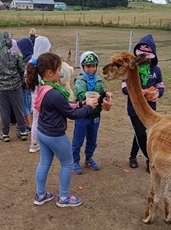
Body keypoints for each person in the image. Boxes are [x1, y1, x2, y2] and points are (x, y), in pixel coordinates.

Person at [25, 52, 97, 207]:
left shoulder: (44, 88)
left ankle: (41, 194)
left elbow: (64, 107)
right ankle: (63, 198)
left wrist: (81, 104)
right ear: (50, 73)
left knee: (44, 163)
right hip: (55, 135)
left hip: (42, 133)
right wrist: (89, 108)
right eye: (59, 70)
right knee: (67, 163)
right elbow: (71, 114)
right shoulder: (55, 93)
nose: (61, 72)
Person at [123, 34, 165, 173]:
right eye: (141, 56)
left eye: (147, 56)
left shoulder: (156, 70)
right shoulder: (130, 70)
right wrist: (139, 92)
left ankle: (133, 156)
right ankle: (150, 159)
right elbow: (124, 89)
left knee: (140, 133)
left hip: (150, 109)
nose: (144, 59)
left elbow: (161, 86)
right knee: (141, 134)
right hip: (134, 109)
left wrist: (157, 93)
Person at [71, 51, 112, 175]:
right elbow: (81, 95)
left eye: (94, 66)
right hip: (82, 115)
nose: (91, 69)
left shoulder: (98, 80)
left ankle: (89, 159)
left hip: (95, 116)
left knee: (92, 140)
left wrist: (106, 95)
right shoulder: (79, 80)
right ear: (83, 67)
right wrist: (93, 97)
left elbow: (101, 92)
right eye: (88, 66)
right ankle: (75, 161)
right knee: (78, 141)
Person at [0, 31, 27, 142]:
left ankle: (5, 134)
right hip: (15, 87)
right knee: (19, 110)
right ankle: (23, 132)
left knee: (4, 111)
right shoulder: (14, 54)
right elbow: (22, 70)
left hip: (1, 88)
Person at [28, 36, 51, 153]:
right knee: (46, 120)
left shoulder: (30, 62)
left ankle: (34, 143)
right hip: (44, 96)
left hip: (34, 97)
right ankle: (44, 142)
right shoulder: (43, 65)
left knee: (35, 120)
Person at [17, 37, 35, 133]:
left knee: (25, 106)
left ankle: (28, 125)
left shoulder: (28, 60)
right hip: (29, 87)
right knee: (27, 105)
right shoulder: (30, 57)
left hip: (25, 87)